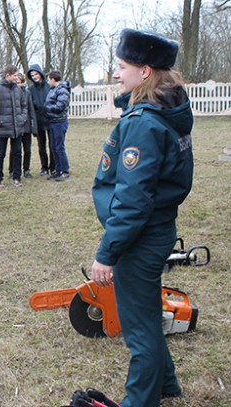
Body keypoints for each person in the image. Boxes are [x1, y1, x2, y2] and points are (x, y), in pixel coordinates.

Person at [90, 28, 193, 407]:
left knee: (139, 326)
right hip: (159, 229)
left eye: (122, 66)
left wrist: (107, 253)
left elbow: (133, 201)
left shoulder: (144, 124)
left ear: (145, 71)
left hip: (141, 237)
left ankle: (140, 400)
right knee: (147, 313)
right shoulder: (167, 109)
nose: (117, 73)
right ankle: (165, 383)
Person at [0, 65, 27, 187]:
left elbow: (24, 105)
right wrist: (0, 121)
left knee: (17, 153)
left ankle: (17, 177)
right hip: (2, 128)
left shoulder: (18, 90)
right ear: (8, 75)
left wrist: (22, 118)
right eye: (15, 75)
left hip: (17, 127)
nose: (17, 77)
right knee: (1, 154)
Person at [43, 71, 72, 181]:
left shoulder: (62, 90)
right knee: (54, 147)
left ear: (53, 79)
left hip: (60, 122)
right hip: (53, 122)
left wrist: (47, 108)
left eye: (49, 79)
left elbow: (60, 106)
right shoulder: (53, 90)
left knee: (59, 147)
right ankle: (57, 170)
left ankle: (65, 171)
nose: (48, 82)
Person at [27, 64, 54, 175]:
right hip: (38, 121)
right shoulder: (30, 89)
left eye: (36, 74)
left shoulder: (49, 87)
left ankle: (53, 166)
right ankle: (44, 167)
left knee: (52, 145)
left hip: (50, 119)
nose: (34, 77)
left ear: (40, 73)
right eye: (32, 75)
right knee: (41, 145)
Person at [14, 71, 37, 178]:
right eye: (15, 82)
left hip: (26, 126)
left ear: (22, 82)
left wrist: (34, 127)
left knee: (27, 149)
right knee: (15, 150)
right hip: (16, 126)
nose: (17, 85)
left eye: (19, 82)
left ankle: (26, 169)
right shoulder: (12, 93)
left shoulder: (27, 93)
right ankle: (13, 170)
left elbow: (31, 110)